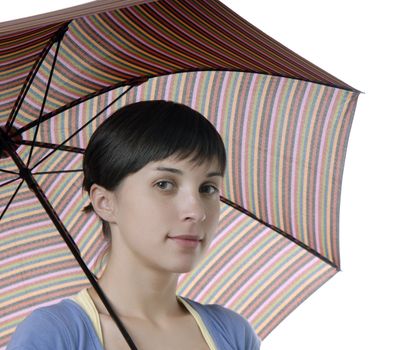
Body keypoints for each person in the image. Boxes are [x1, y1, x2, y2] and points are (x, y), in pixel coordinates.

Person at [7, 101, 261, 350]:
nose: (196, 211)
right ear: (105, 202)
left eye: (208, 188)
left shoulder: (233, 333)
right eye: (164, 184)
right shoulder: (54, 335)